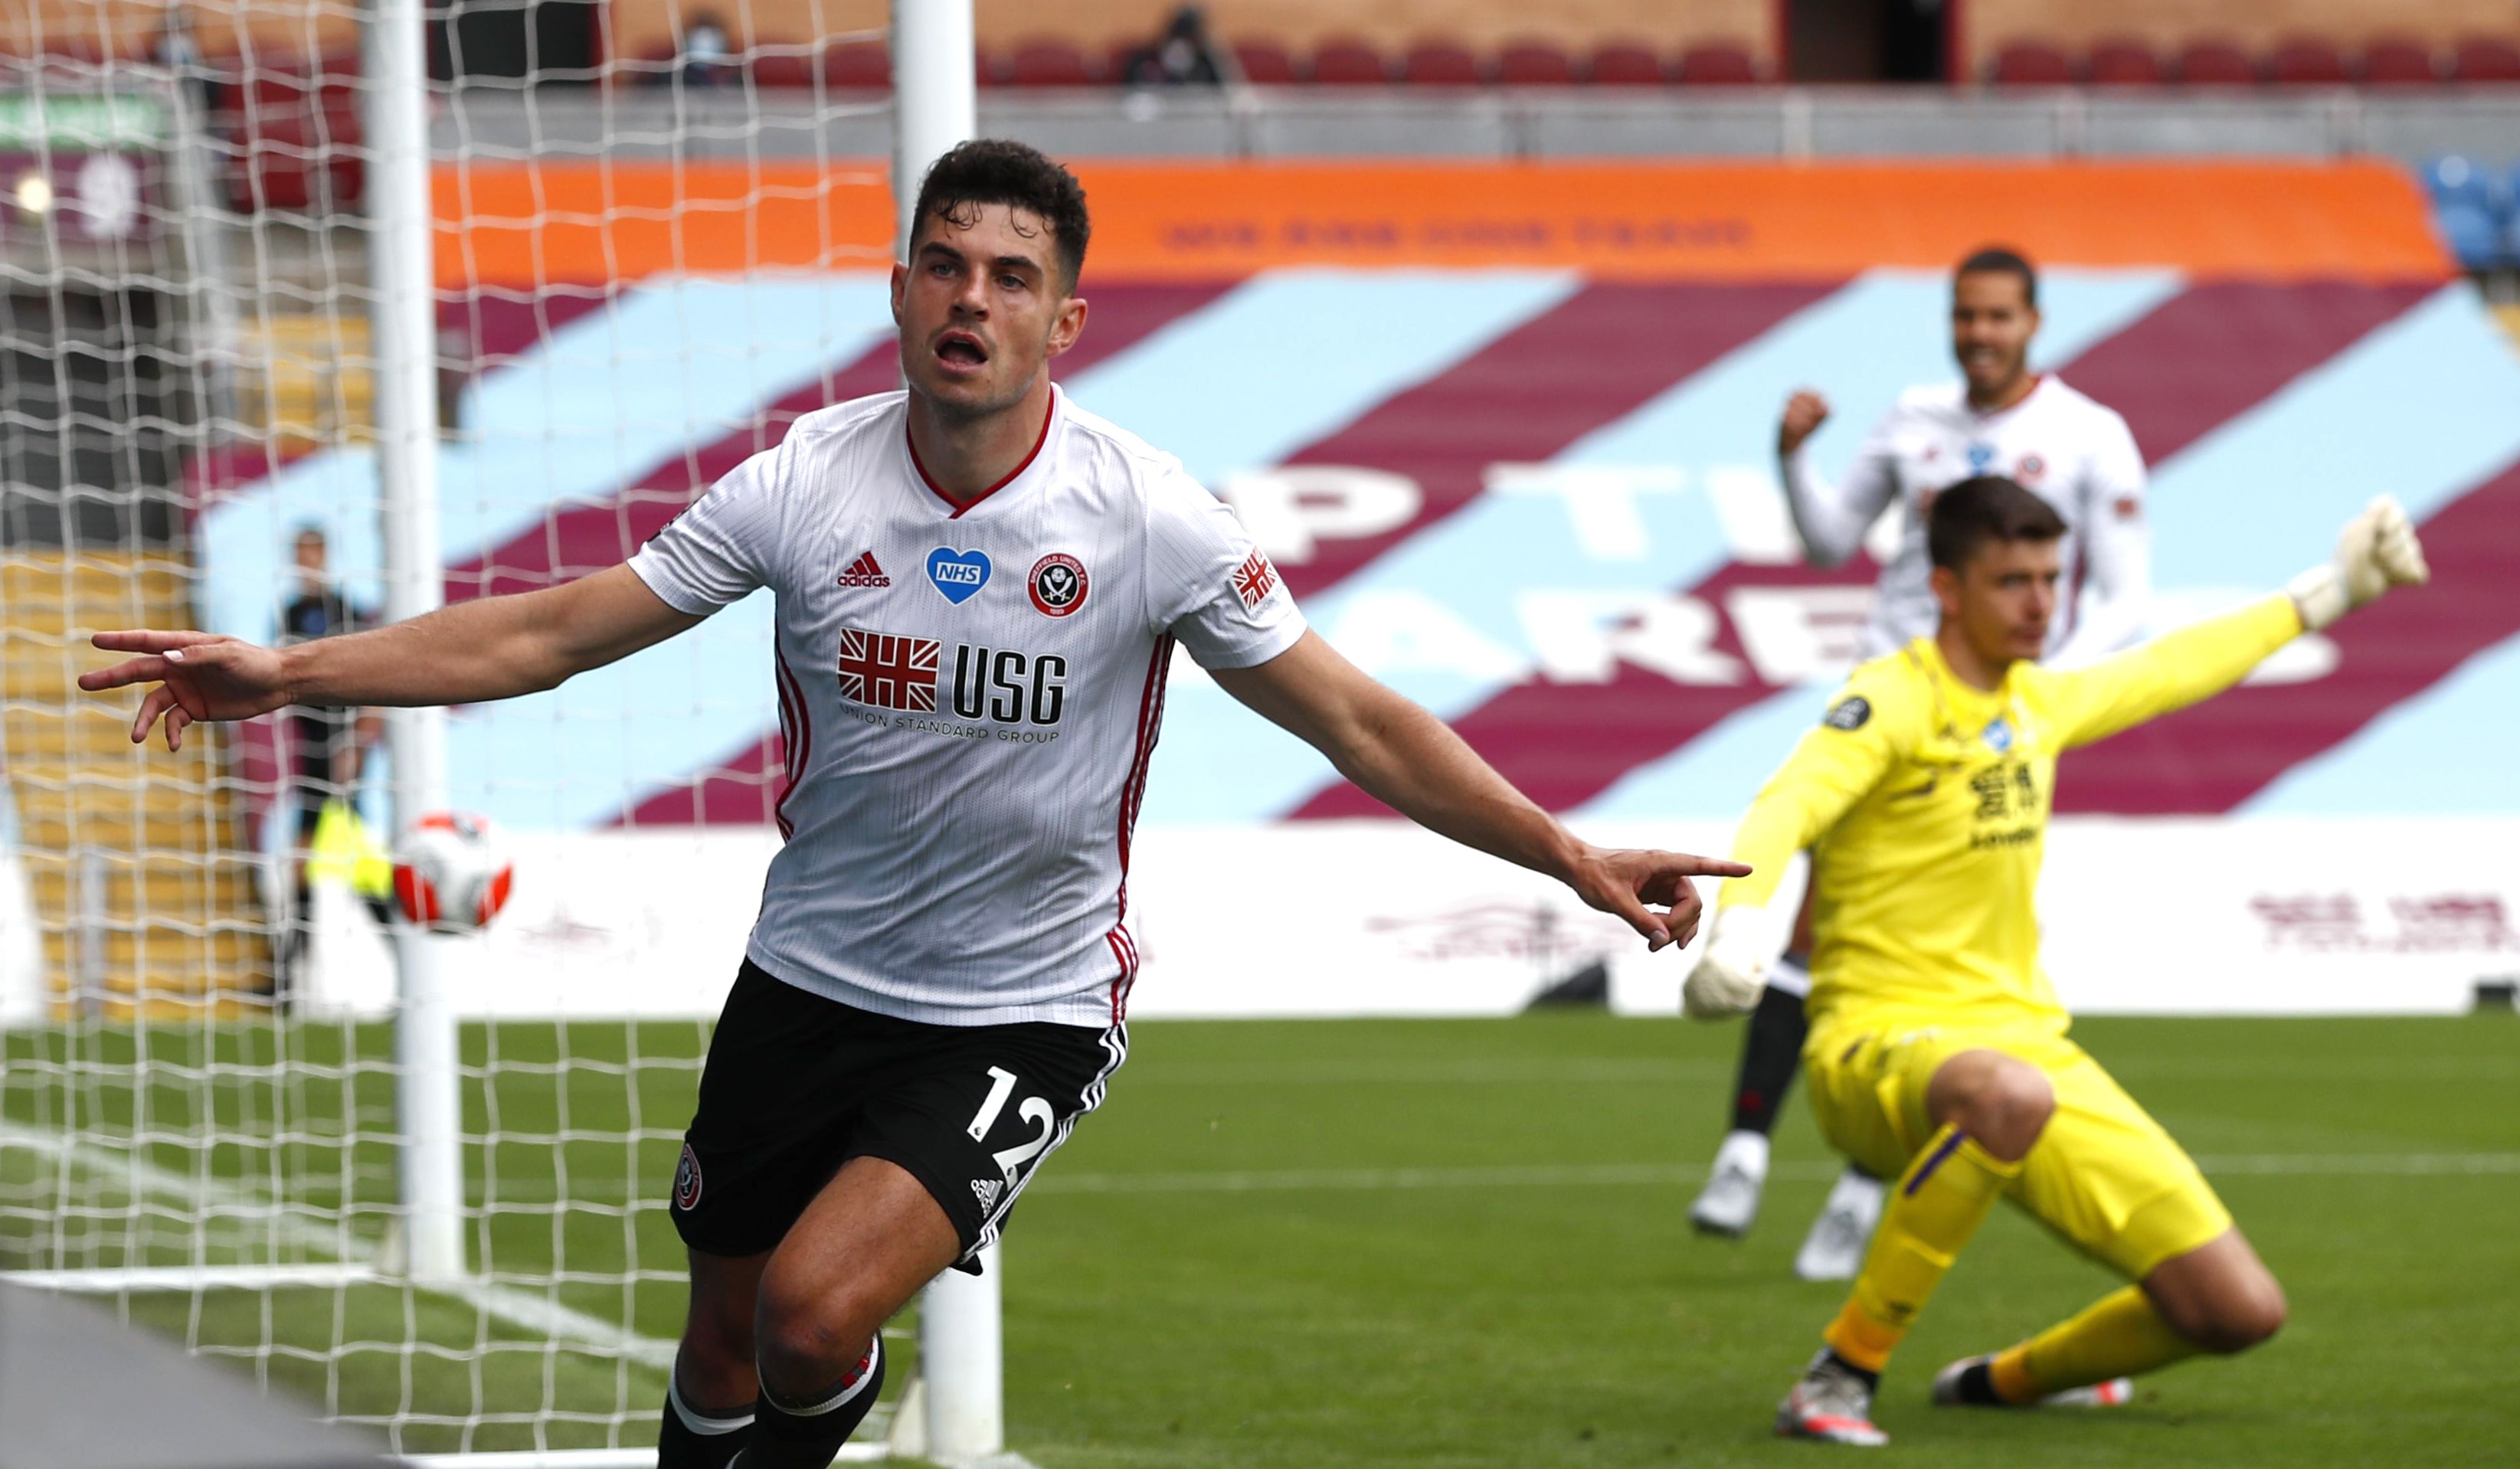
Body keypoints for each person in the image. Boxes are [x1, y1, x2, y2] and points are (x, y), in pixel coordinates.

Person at [82, 139, 1747, 1469]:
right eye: (944, 261)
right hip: (805, 975)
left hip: (1019, 1004)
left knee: (813, 1320)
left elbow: (1361, 723)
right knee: (722, 1335)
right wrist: (293, 677)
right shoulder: (803, 482)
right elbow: (549, 631)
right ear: (898, 287)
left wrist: (1570, 853)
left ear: (1063, 321)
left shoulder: (1150, 516)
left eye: (1012, 275)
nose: (972, 297)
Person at [1680, 474, 2427, 1445]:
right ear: (1945, 587)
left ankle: (2004, 1382)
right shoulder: (1889, 700)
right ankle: (1838, 1374)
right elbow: (1789, 805)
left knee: (2235, 1312)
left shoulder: (2036, 702)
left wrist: (2330, 591)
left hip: (2023, 1048)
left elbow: (2171, 667)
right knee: (2006, 1096)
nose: (2039, 603)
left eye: (2049, 577)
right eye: (2011, 581)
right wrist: (1739, 924)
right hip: (1874, 1042)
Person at [1690, 246, 2152, 1281]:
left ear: (2032, 322)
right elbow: (1827, 543)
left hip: (2001, 720)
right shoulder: (1911, 417)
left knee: (1945, 945)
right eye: (1963, 317)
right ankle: (1746, 1150)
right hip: (1889, 700)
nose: (1977, 334)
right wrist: (1788, 459)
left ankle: (1856, 1194)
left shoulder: (2089, 437)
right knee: (1828, 917)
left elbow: (2123, 596)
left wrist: (2038, 697)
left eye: (1996, 317)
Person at [271, 525, 379, 1002]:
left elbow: (378, 685)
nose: (306, 560)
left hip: (343, 755)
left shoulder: (346, 610)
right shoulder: (289, 613)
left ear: (325, 555)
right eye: (300, 552)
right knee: (305, 865)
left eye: (312, 551)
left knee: (355, 868)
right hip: (308, 752)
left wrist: (357, 745)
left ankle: (287, 984)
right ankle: (290, 981)